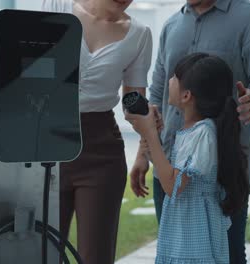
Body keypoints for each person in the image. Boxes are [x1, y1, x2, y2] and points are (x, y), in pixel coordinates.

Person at [129, 0, 250, 263]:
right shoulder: (171, 25)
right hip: (168, 166)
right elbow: (157, 92)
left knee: (228, 254)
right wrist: (143, 154)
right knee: (176, 251)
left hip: (224, 172)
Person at [41, 0, 153, 263]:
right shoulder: (54, 7)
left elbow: (133, 103)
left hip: (101, 149)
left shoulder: (139, 34)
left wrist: (146, 149)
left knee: (97, 256)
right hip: (44, 142)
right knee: (42, 250)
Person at [126, 53, 250, 263]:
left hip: (194, 239)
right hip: (184, 232)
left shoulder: (203, 133)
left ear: (187, 96)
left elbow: (173, 185)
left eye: (175, 77)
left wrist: (150, 135)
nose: (169, 81)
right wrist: (152, 135)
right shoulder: (193, 131)